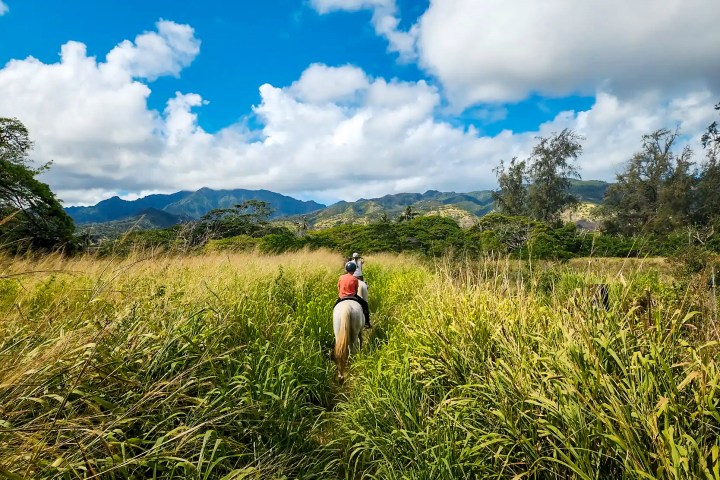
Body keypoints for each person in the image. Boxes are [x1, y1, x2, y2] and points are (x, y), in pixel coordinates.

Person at [336, 261, 371, 328]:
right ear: (354, 270)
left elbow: (338, 287)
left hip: (342, 297)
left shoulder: (341, 277)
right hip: (352, 296)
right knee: (365, 305)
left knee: (334, 307)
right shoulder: (355, 279)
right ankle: (367, 322)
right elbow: (356, 290)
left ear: (346, 269)